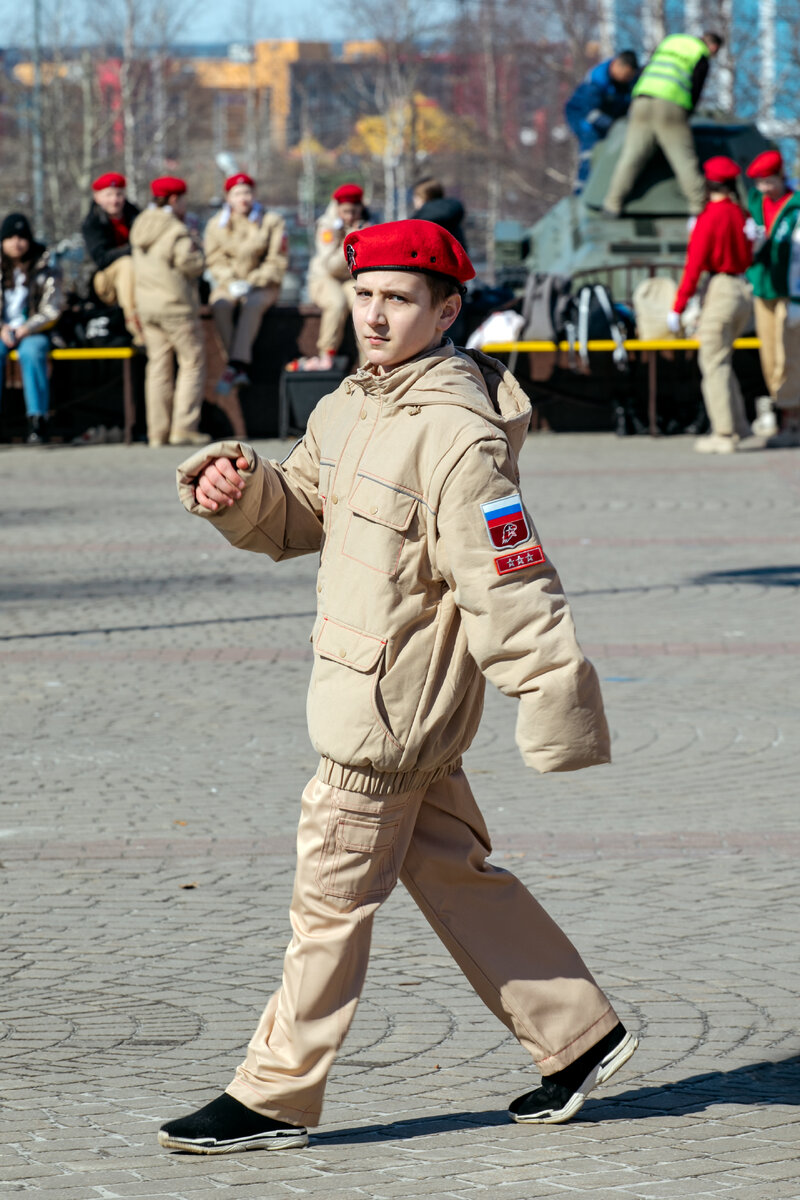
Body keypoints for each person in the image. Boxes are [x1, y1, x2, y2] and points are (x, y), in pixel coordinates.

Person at [160, 218, 638, 1155]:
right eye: (365, 293)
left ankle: (273, 1093)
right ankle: (578, 1035)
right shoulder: (350, 403)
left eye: (400, 300)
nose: (375, 314)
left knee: (327, 903)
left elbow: (510, 578)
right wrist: (244, 489)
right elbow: (304, 512)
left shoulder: (457, 435)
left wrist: (554, 702)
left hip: (388, 717)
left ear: (447, 310)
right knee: (454, 874)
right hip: (364, 687)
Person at [667, 156, 755, 454]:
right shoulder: (741, 213)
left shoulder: (710, 216)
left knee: (713, 363)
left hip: (721, 290)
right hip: (744, 290)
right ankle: (740, 426)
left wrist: (677, 308)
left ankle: (724, 433)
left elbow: (694, 266)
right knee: (723, 361)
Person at [603, 31, 723, 217]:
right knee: (684, 159)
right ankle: (699, 207)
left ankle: (612, 204)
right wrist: (686, 114)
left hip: (642, 99)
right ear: (713, 47)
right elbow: (696, 87)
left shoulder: (670, 42)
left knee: (631, 157)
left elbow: (646, 69)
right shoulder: (700, 54)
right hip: (671, 104)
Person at [129, 177, 206, 447]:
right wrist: (199, 247)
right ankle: (184, 428)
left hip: (147, 307)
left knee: (158, 367)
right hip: (176, 306)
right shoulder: (175, 229)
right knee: (192, 362)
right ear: (174, 200)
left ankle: (156, 433)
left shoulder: (140, 224)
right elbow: (192, 265)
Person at [204, 172, 288, 394]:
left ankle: (235, 365)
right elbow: (214, 259)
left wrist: (253, 281)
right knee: (220, 304)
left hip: (263, 285)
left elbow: (276, 260)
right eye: (237, 193)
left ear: (255, 194)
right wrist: (230, 281)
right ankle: (237, 366)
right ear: (228, 197)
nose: (244, 198)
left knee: (252, 305)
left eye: (248, 192)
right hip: (228, 283)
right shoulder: (217, 225)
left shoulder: (271, 221)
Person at [745, 149, 800, 447]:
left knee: (788, 355)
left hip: (791, 291)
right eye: (759, 183)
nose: (764, 189)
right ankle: (780, 412)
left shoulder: (796, 206)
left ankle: (792, 420)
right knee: (769, 356)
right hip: (763, 286)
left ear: (780, 177)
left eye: (768, 182)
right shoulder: (755, 203)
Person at [0, 213, 63, 445]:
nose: (16, 243)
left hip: (36, 331)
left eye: (21, 237)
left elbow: (53, 307)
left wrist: (28, 327)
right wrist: (2, 328)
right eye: (10, 237)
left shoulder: (45, 266)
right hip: (3, 331)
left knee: (31, 353)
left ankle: (37, 419)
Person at [303, 183, 368, 370]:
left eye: (354, 211)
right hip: (324, 277)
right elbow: (330, 265)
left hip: (351, 279)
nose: (350, 216)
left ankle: (368, 360)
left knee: (361, 304)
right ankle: (327, 354)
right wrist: (352, 238)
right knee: (336, 303)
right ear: (338, 207)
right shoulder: (326, 225)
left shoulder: (366, 222)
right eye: (346, 211)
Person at [565, 51, 639, 193]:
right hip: (584, 117)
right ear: (616, 65)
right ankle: (581, 194)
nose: (627, 78)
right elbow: (590, 112)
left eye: (631, 76)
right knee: (591, 153)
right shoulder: (597, 80)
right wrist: (614, 127)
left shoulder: (631, 80)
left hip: (612, 117)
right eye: (626, 74)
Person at [81, 172, 141, 344]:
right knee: (127, 265)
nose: (114, 200)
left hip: (137, 278)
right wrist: (132, 250)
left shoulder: (135, 215)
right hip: (103, 283)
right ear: (97, 197)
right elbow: (101, 259)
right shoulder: (93, 222)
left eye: (119, 194)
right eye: (109, 195)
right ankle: (134, 323)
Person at [411, 176, 468, 248]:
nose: (414, 200)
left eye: (416, 196)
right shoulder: (452, 212)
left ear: (423, 197)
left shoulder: (420, 221)